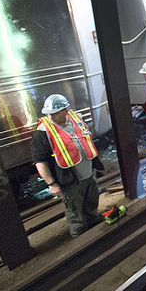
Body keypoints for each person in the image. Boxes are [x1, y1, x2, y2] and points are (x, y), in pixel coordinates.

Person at [31, 94, 103, 238]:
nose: (50, 116)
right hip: (69, 180)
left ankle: (93, 224)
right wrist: (51, 183)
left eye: (54, 113)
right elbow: (40, 161)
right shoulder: (43, 131)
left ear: (65, 111)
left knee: (91, 202)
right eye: (48, 113)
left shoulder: (76, 119)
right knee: (75, 211)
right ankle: (79, 236)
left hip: (88, 173)